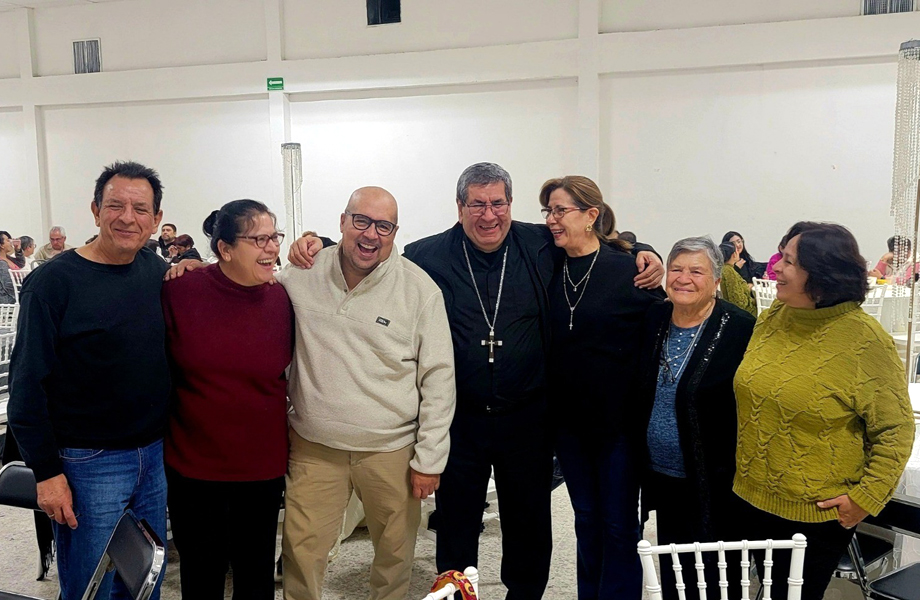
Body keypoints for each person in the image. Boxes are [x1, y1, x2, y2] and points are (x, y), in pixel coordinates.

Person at [287, 163, 664, 600]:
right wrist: (318, 243)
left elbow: (594, 242)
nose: (489, 215)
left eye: (498, 203)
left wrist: (645, 250)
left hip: (528, 417)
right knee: (456, 521)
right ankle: (455, 594)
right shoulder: (427, 254)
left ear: (510, 204)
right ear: (460, 206)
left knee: (528, 522)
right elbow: (372, 253)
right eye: (478, 204)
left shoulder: (541, 242)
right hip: (461, 417)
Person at [278, 186, 456, 600]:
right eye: (361, 221)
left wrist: (430, 458)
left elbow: (439, 379)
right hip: (314, 446)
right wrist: (192, 266)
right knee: (301, 554)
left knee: (394, 556)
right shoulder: (302, 273)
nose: (370, 234)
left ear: (395, 232)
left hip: (391, 450)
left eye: (384, 226)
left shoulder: (419, 290)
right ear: (341, 222)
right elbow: (253, 285)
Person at [7, 161, 171, 600]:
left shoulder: (157, 274)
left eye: (140, 208)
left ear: (156, 219)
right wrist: (47, 472)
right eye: (115, 205)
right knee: (89, 586)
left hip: (153, 455)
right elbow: (26, 384)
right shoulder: (53, 283)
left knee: (145, 581)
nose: (127, 217)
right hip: (87, 461)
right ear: (96, 210)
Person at [733, 221, 915, 600]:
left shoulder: (865, 341)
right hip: (749, 496)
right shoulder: (773, 318)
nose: (775, 268)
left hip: (814, 514)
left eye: (788, 261)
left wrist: (865, 498)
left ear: (822, 275)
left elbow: (896, 430)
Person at [540, 176, 664, 600]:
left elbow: (664, 328)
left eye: (561, 211)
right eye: (549, 211)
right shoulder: (546, 265)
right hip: (568, 425)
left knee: (618, 523)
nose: (552, 220)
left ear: (592, 215)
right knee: (585, 518)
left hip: (619, 426)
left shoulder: (630, 270)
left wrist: (652, 257)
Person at [162, 200, 292, 600]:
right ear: (225, 248)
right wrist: (191, 266)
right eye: (259, 239)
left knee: (255, 579)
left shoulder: (282, 298)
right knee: (202, 577)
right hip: (195, 467)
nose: (272, 248)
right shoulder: (179, 291)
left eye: (275, 236)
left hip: (261, 468)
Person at [637, 236, 756, 600]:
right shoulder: (654, 317)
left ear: (717, 281)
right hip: (663, 475)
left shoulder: (740, 329)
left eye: (696, 271)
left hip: (717, 481)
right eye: (676, 269)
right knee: (676, 568)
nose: (683, 278)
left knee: (719, 574)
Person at [718, 242, 756, 316]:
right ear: (734, 254)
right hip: (745, 313)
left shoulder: (724, 269)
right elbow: (739, 302)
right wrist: (755, 301)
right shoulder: (729, 271)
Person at [0, 231, 19, 304]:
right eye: (8, 240)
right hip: (8, 299)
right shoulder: (2, 263)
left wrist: (18, 250)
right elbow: (8, 285)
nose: (11, 243)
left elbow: (20, 263)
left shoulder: (8, 258)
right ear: (1, 245)